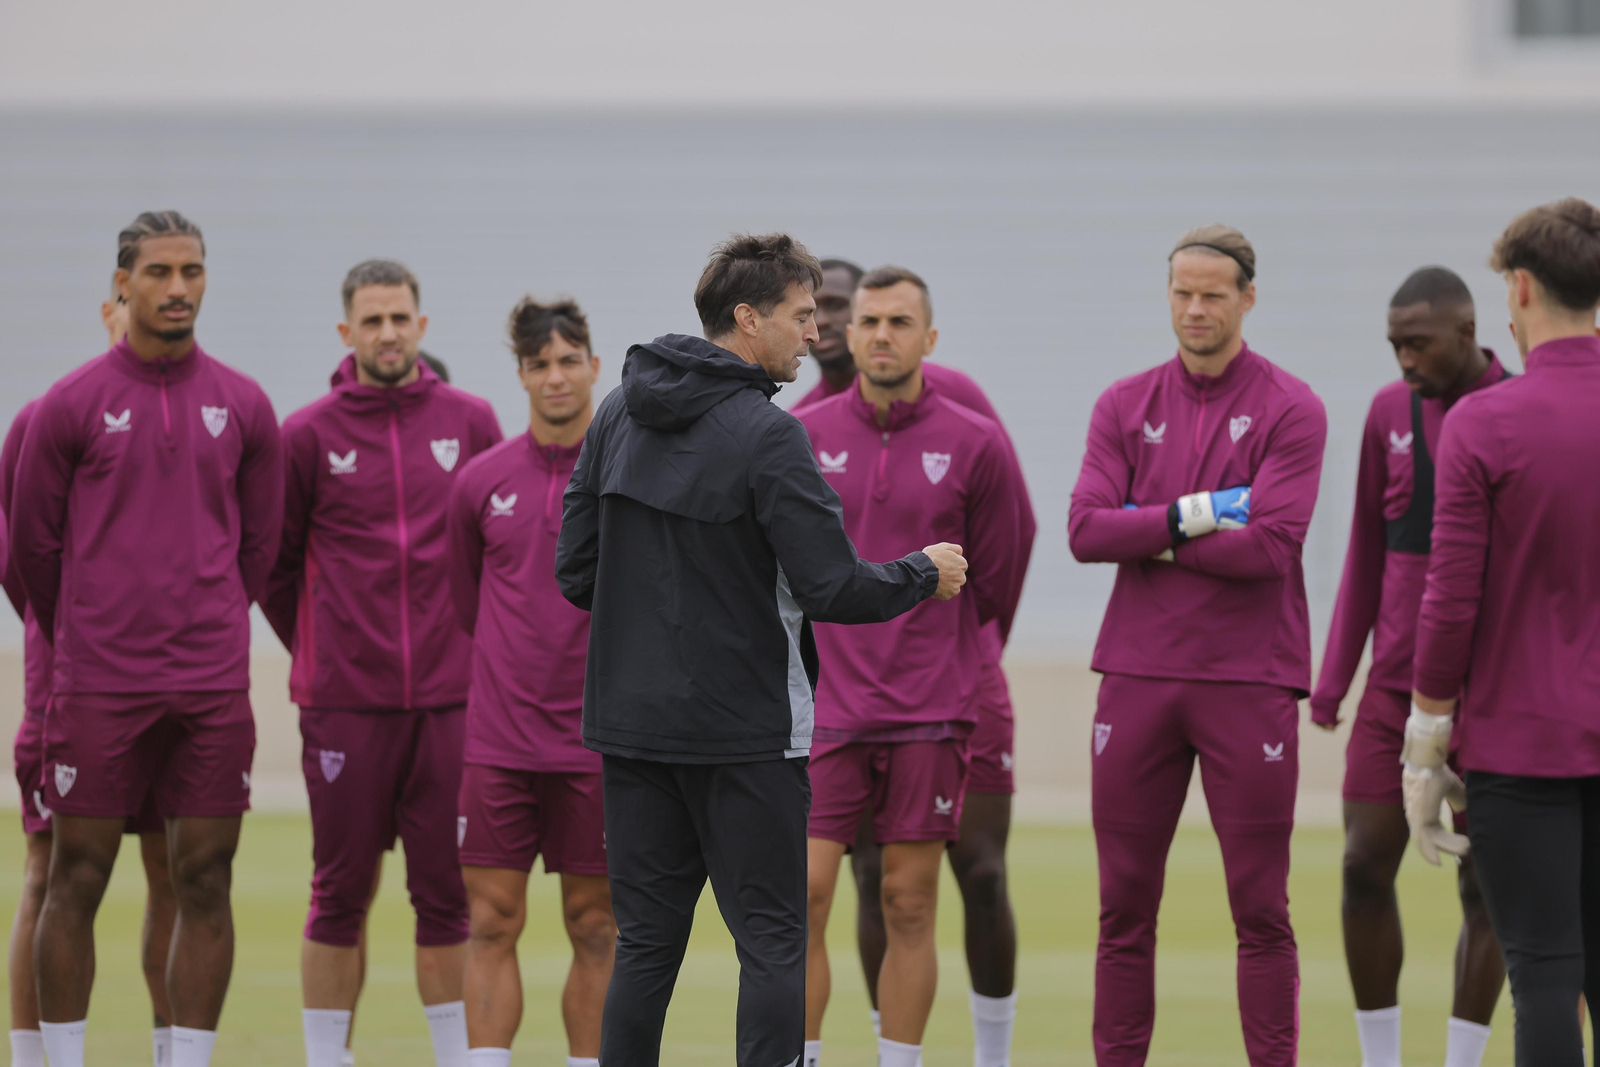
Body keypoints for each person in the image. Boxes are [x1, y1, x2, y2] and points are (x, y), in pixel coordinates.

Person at [555, 233, 968, 1067]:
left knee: (645, 945)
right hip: (747, 736)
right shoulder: (771, 435)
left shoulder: (616, 414)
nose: (815, 334)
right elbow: (834, 588)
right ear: (746, 319)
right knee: (774, 942)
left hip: (632, 731)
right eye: (801, 315)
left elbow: (575, 572)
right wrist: (923, 571)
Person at [8, 210, 284, 1067]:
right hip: (97, 684)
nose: (177, 288)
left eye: (191, 271)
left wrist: (204, 619)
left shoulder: (242, 403)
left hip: (208, 687)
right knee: (74, 876)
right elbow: (28, 551)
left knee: (203, 878)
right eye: (159, 272)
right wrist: (88, 626)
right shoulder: (70, 406)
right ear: (121, 284)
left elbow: (261, 546)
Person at [1067, 225, 1327, 1066]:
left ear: (1248, 297)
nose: (1195, 308)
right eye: (1183, 291)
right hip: (1138, 675)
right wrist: (1199, 512)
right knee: (1123, 907)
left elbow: (1271, 548)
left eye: (1214, 293)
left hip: (1248, 679)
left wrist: (1149, 531)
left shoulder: (1293, 406)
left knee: (1259, 906)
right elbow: (1084, 531)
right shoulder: (1122, 402)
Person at [794, 259, 1035, 1065]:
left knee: (908, 899)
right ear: (846, 334)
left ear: (928, 337)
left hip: (930, 709)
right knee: (804, 896)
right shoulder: (805, 434)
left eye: (899, 323)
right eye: (868, 321)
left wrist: (949, 650)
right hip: (825, 710)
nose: (882, 335)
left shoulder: (975, 441)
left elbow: (1000, 571)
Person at [264, 259, 502, 1067]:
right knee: (338, 895)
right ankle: (328, 1058)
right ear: (347, 333)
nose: (388, 333)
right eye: (372, 321)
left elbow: (493, 553)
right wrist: (325, 647)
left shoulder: (471, 421)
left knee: (446, 899)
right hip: (345, 705)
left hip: (450, 702)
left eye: (400, 318)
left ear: (422, 325)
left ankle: (459, 1057)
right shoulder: (306, 434)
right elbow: (275, 563)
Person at [1405, 197, 1600, 1067]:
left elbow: (1450, 601)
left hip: (1521, 748)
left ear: (1519, 289)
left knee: (1546, 974)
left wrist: (1424, 738)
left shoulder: (1482, 423)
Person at [1311, 267, 1509, 1067]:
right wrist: (1334, 679)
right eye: (1393, 345)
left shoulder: (1515, 410)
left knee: (1487, 887)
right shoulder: (1388, 414)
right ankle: (1381, 1058)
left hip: (1494, 694)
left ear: (1466, 332)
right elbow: (1365, 548)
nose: (1403, 361)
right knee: (1362, 863)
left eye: (1417, 344)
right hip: (1394, 689)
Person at [1, 283, 180, 1067]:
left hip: (174, 687)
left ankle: (177, 1049)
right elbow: (17, 555)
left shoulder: (187, 414)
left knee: (174, 871)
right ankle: (36, 1055)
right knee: (50, 872)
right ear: (112, 312)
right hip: (71, 690)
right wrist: (67, 633)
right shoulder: (50, 416)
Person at [446, 297, 614, 1067]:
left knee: (596, 924)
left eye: (568, 360)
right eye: (539, 363)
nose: (555, 377)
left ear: (595, 367)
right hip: (500, 744)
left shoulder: (627, 480)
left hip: (598, 744)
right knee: (491, 920)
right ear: (519, 373)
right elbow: (465, 601)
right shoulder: (481, 481)